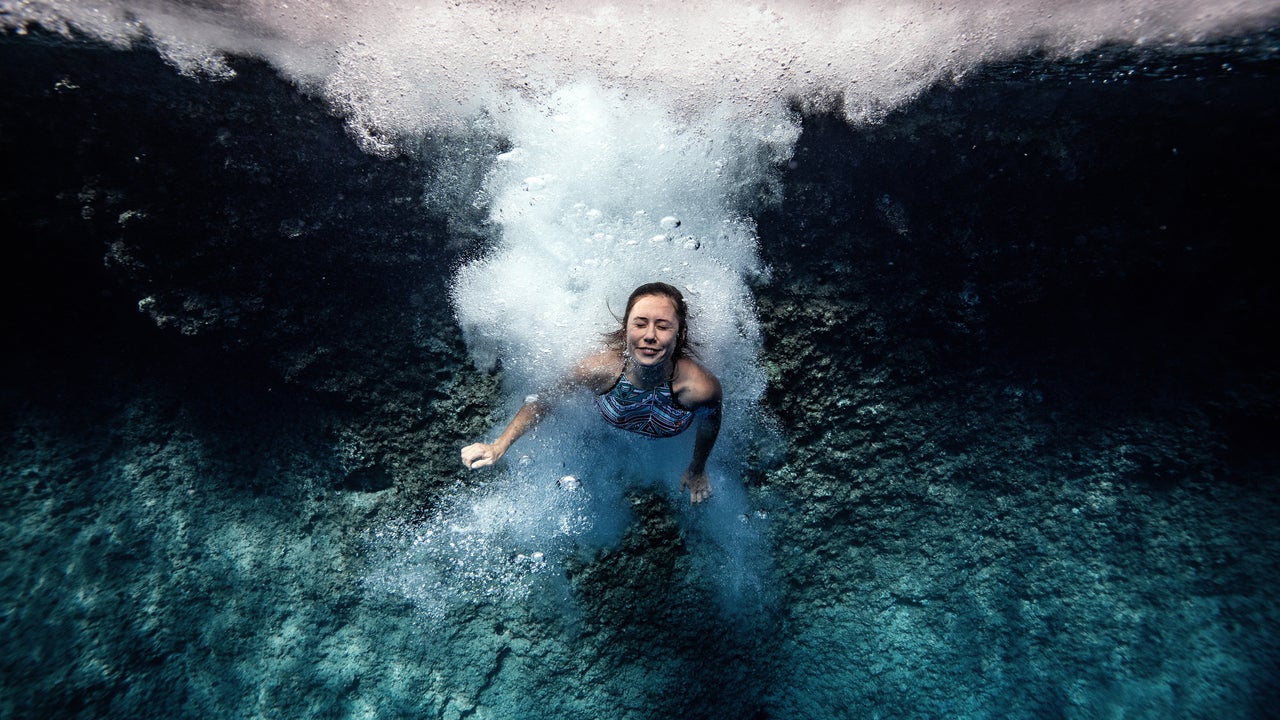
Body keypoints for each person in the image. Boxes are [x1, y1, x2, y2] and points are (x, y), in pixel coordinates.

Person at [460, 282, 722, 503]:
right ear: (626, 328)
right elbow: (545, 400)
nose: (650, 336)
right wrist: (499, 445)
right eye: (640, 324)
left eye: (663, 326)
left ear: (680, 332)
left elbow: (710, 424)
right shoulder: (598, 370)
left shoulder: (700, 388)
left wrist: (697, 468)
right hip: (606, 435)